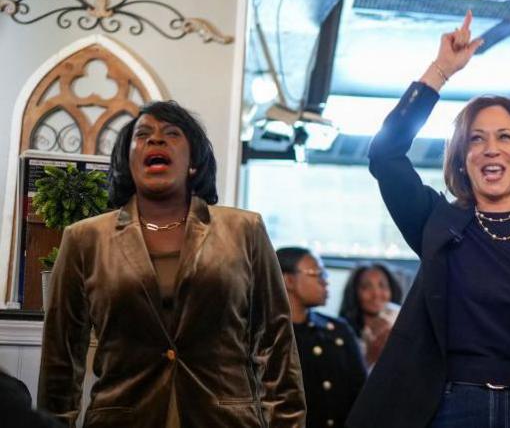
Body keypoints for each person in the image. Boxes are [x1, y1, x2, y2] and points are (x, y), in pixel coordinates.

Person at [346, 11, 510, 428]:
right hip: (450, 408)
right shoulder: (435, 221)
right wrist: (440, 72)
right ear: (462, 158)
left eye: (504, 137)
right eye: (476, 139)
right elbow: (385, 155)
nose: (491, 149)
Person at [39, 101, 305, 427]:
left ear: (193, 162)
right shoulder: (85, 239)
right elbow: (61, 360)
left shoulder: (244, 231)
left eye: (172, 133)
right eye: (143, 134)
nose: (156, 140)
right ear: (128, 159)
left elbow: (276, 343)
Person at [278, 247, 367, 428]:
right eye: (317, 274)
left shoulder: (337, 330)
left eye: (324, 275)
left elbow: (361, 392)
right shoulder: (266, 335)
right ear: (288, 280)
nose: (325, 282)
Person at [338, 263, 402, 369]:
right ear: (354, 292)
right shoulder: (341, 333)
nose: (376, 294)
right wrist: (369, 357)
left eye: (382, 286)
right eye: (366, 287)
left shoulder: (402, 320)